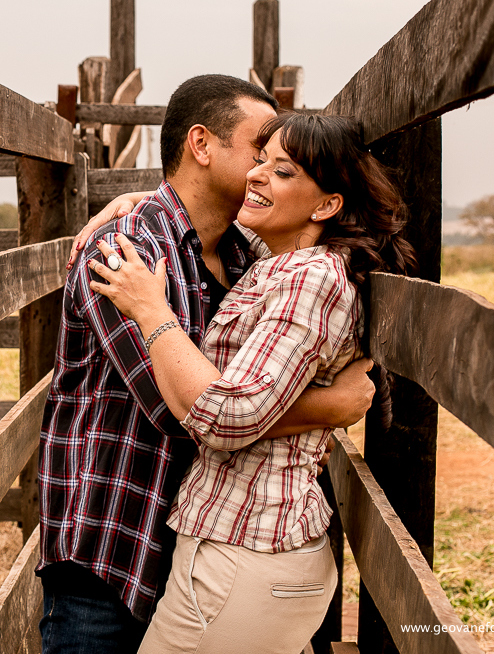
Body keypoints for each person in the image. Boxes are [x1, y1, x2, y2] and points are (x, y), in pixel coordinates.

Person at [37, 75, 378, 654]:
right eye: (259, 150)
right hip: (115, 544)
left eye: (279, 163)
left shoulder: (251, 252)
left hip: (207, 539)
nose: (259, 170)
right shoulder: (128, 251)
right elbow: (186, 413)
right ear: (201, 145)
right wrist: (329, 406)